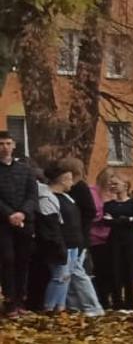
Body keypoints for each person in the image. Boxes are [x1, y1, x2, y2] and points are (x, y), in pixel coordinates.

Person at [35, 161, 103, 316]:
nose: (72, 183)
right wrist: (59, 245)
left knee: (66, 277)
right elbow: (52, 226)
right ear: (62, 179)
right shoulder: (48, 198)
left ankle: (61, 305)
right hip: (62, 244)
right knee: (60, 276)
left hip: (73, 244)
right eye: (70, 179)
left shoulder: (67, 197)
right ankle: (50, 307)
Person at [0, 131, 37, 315]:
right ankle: (9, 299)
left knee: (23, 260)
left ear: (14, 145)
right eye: (1, 144)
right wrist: (9, 214)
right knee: (7, 259)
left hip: (24, 221)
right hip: (3, 223)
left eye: (8, 143)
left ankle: (21, 299)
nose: (5, 147)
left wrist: (22, 213)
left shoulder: (25, 170)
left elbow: (32, 195)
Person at [95, 174, 133, 313]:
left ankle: (131, 302)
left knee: (130, 271)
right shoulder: (109, 204)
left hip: (130, 241)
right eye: (111, 184)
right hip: (114, 241)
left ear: (125, 185)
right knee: (115, 271)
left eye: (115, 183)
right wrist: (126, 219)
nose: (112, 186)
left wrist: (118, 219)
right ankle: (117, 302)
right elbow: (106, 221)